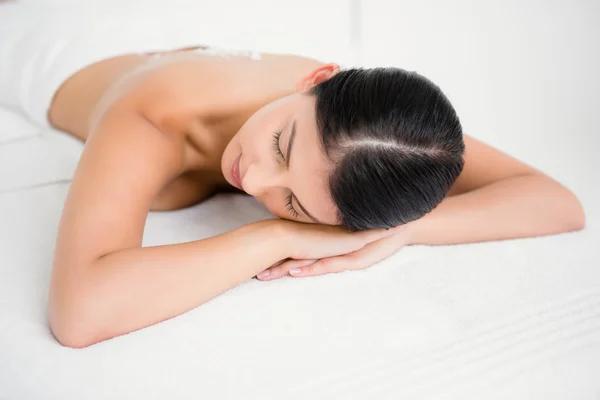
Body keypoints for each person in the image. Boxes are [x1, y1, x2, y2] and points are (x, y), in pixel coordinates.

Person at [43, 44, 585, 348]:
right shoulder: (154, 113)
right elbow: (81, 313)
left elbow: (557, 202)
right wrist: (278, 233)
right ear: (317, 78)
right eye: (281, 145)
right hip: (53, 54)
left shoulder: (374, 139)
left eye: (295, 204)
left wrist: (401, 230)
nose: (254, 183)